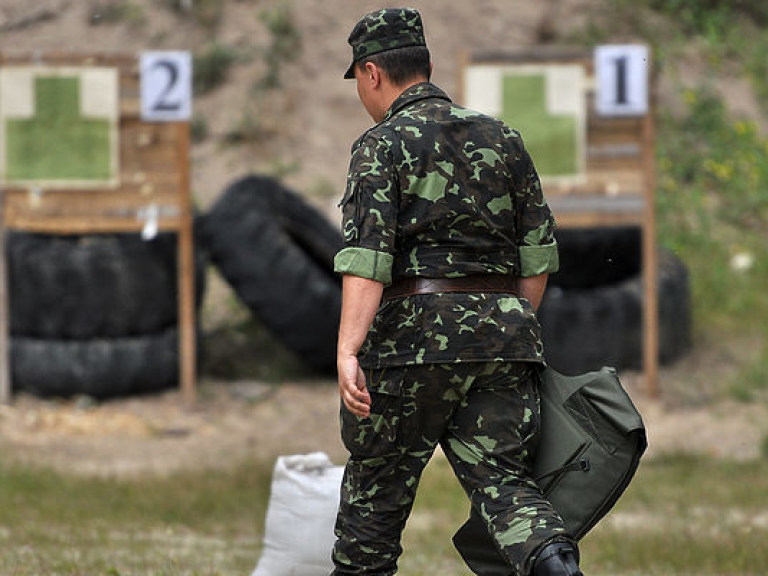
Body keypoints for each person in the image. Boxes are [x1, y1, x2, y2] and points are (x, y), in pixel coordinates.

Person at [332, 8, 583, 576]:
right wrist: (502, 327)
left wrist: (349, 350)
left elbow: (368, 262)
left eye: (359, 82)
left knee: (376, 497)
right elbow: (538, 256)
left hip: (409, 348)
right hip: (506, 338)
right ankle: (557, 567)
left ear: (372, 73)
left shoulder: (381, 145)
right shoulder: (504, 138)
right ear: (425, 65)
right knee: (507, 490)